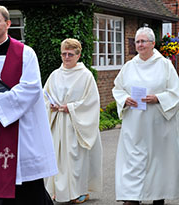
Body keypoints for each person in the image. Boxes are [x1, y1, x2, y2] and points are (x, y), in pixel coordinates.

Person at [0, 5, 57, 204]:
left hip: (19, 127)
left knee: (23, 183)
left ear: (7, 24)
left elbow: (31, 88)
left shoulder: (25, 53)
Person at [112, 27, 179, 205]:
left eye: (144, 41)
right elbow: (117, 88)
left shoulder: (165, 65)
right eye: (137, 41)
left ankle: (158, 195)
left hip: (158, 124)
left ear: (153, 43)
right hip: (134, 125)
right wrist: (124, 99)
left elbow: (177, 93)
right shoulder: (129, 66)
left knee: (158, 162)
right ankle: (131, 197)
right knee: (132, 161)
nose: (140, 44)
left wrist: (158, 98)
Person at [43, 38, 103, 203]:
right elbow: (44, 97)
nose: (66, 57)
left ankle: (79, 191)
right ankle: (57, 191)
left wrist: (70, 107)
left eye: (70, 54)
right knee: (58, 159)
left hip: (76, 125)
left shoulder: (85, 76)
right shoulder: (55, 75)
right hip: (57, 123)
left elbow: (91, 101)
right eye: (64, 53)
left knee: (75, 160)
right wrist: (52, 106)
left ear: (78, 55)